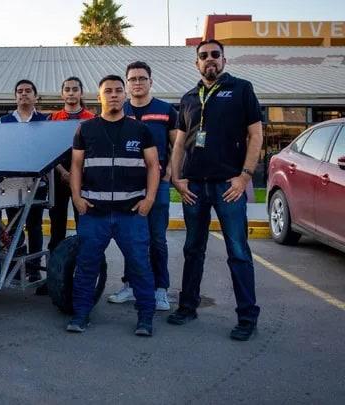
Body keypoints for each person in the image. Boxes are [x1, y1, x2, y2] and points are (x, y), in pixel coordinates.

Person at [168, 39, 263, 341]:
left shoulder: (241, 89)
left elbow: (256, 134)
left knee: (238, 252)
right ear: (196, 63)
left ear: (224, 60)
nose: (209, 60)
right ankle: (187, 307)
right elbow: (180, 141)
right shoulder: (188, 98)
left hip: (228, 187)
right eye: (203, 56)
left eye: (215, 55)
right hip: (194, 186)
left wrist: (245, 177)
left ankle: (247, 317)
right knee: (192, 249)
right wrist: (177, 177)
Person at [68, 75, 159, 336]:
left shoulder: (140, 130)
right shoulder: (85, 129)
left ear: (125, 95)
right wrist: (77, 197)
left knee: (140, 266)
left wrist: (149, 199)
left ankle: (145, 319)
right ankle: (80, 315)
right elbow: (75, 166)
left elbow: (154, 166)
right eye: (108, 91)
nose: (114, 95)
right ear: (99, 97)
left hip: (130, 214)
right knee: (87, 266)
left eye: (119, 90)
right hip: (94, 213)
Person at [107, 61, 178, 311]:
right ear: (126, 84)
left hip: (156, 185)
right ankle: (130, 286)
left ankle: (160, 290)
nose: (137, 83)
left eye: (142, 78)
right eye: (133, 79)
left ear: (151, 81)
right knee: (131, 239)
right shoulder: (118, 110)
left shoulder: (166, 110)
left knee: (157, 238)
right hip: (126, 186)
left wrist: (170, 173)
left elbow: (176, 146)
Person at [1, 80, 49, 281]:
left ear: (35, 96)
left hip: (37, 182)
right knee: (13, 226)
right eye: (19, 91)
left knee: (35, 226)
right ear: (15, 97)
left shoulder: (45, 120)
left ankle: (34, 268)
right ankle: (14, 269)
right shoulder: (3, 121)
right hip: (12, 183)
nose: (23, 94)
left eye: (28, 91)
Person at [47, 76, 95, 252]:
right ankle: (55, 270)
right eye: (67, 89)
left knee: (84, 224)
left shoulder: (91, 119)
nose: (71, 93)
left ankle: (83, 267)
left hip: (83, 180)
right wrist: (62, 172)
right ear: (62, 94)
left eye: (75, 89)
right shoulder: (52, 119)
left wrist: (77, 173)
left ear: (81, 92)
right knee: (57, 226)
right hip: (59, 178)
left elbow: (93, 150)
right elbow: (49, 149)